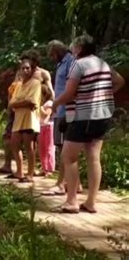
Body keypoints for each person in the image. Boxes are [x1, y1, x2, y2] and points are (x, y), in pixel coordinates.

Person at [52, 35, 125, 213]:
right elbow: (120, 81)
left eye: (74, 47)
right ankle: (91, 202)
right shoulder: (102, 63)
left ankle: (72, 201)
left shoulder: (79, 65)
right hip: (104, 115)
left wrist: (54, 104)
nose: (72, 50)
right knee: (93, 157)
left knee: (68, 157)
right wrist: (104, 94)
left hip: (84, 116)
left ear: (79, 48)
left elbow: (69, 94)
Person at [44, 40, 79, 195]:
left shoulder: (71, 63)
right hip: (59, 110)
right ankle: (75, 183)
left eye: (52, 54)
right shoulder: (61, 64)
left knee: (65, 149)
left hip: (68, 111)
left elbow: (72, 88)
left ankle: (61, 183)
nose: (51, 58)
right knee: (62, 147)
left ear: (57, 52)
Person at [8, 56, 42, 183]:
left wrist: (18, 103)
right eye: (23, 68)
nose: (25, 70)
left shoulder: (36, 83)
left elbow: (32, 101)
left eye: (28, 68)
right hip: (18, 119)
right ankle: (19, 171)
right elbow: (12, 103)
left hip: (30, 119)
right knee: (14, 144)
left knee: (29, 146)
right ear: (20, 70)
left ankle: (30, 174)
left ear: (32, 70)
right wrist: (22, 102)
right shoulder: (18, 85)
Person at [38, 84, 55, 176]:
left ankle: (50, 169)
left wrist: (40, 107)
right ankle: (44, 168)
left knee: (49, 148)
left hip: (48, 126)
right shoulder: (42, 103)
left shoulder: (49, 103)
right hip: (41, 126)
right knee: (42, 149)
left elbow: (46, 114)